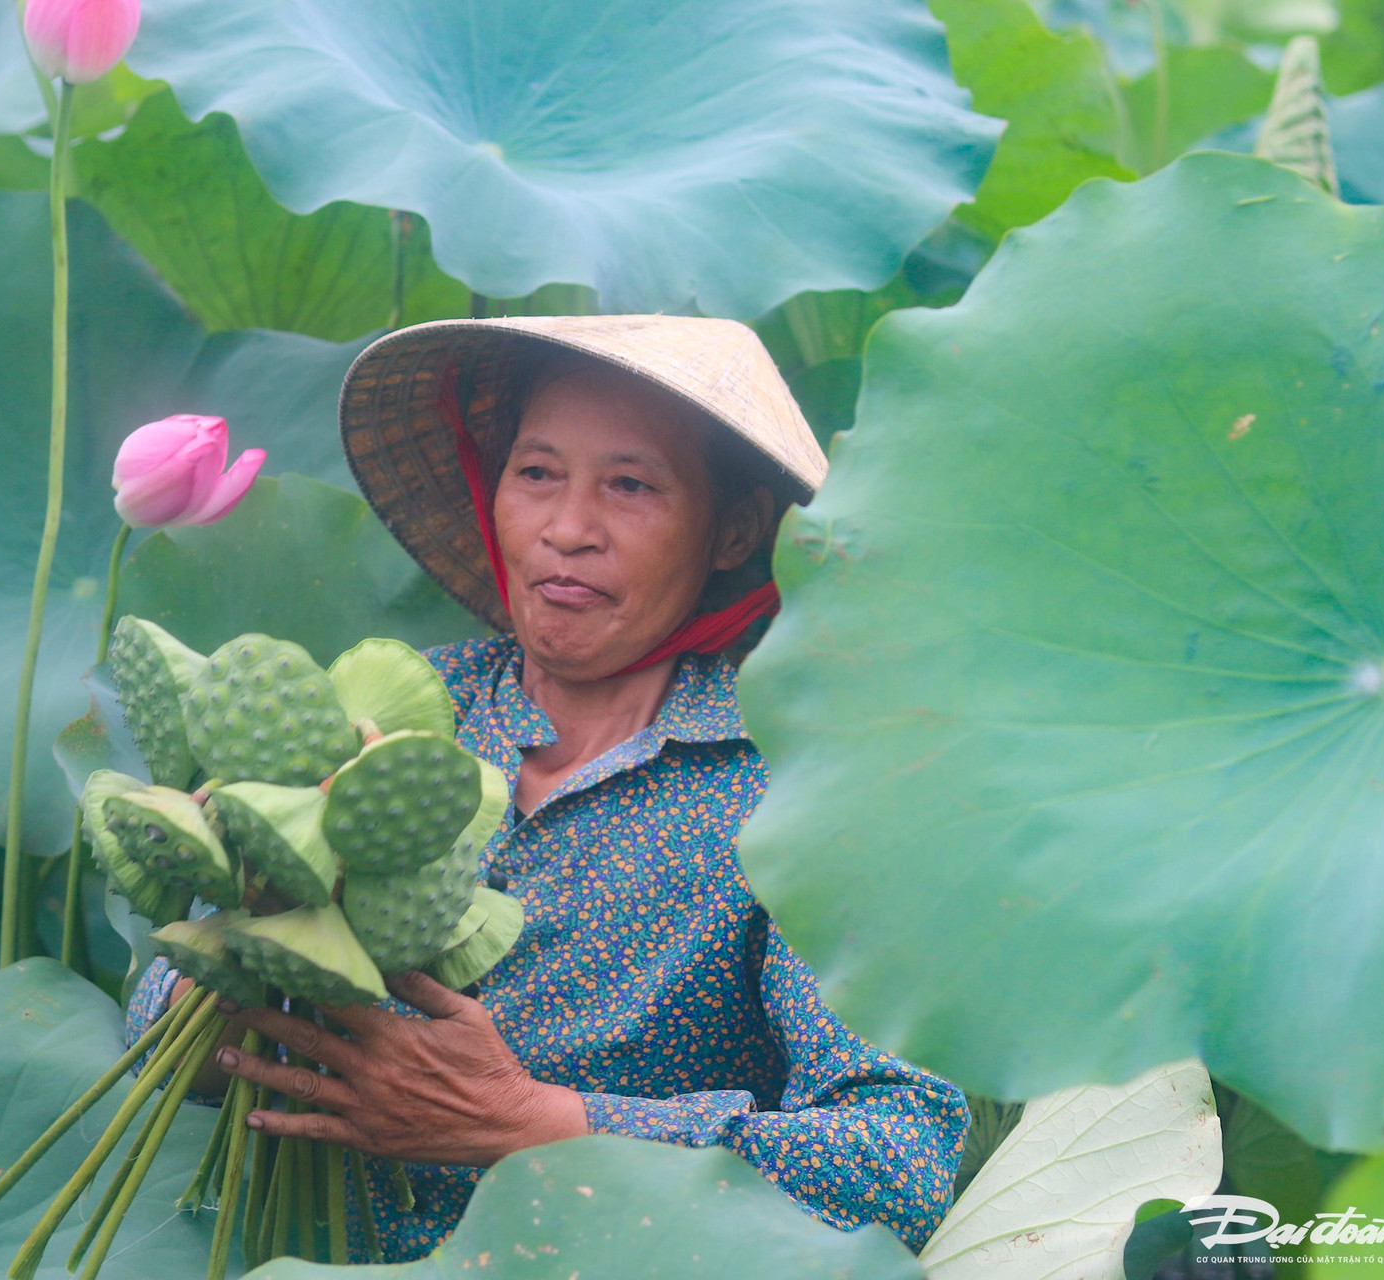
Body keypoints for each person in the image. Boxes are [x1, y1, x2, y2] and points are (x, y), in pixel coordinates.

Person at [125, 315, 969, 1262]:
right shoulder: (388, 709)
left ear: (733, 528)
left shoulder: (802, 791)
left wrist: (536, 1123)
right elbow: (152, 1016)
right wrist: (240, 960)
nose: (569, 529)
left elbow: (902, 1157)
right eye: (536, 474)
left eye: (630, 484)